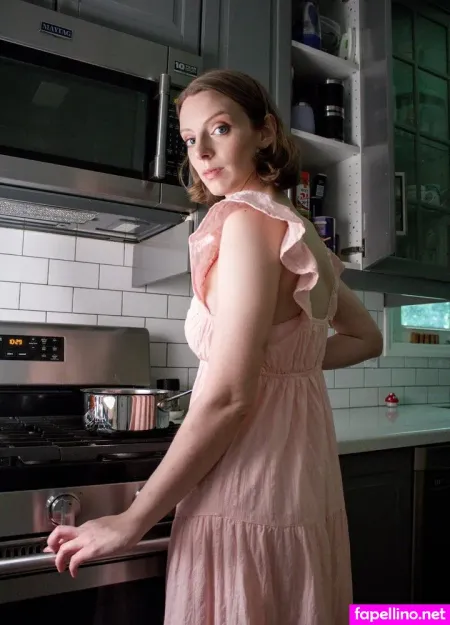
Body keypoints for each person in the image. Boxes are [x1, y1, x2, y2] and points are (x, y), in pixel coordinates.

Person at [45, 69, 383, 624]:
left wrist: (132, 520)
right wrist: (272, 364)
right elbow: (366, 339)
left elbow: (228, 397)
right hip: (300, 484)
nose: (200, 152)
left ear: (264, 132)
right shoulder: (300, 232)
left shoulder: (247, 222)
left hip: (245, 483)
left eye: (220, 128)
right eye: (188, 138)